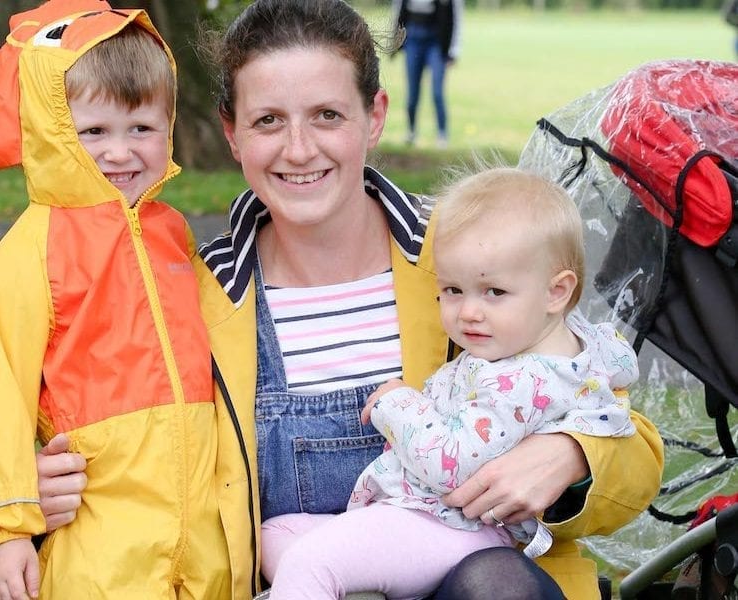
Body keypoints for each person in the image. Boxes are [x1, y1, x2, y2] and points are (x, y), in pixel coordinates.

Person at [33, 1, 665, 599]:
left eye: (327, 115)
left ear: (376, 114)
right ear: (231, 133)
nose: (299, 149)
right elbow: (125, 451)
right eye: (268, 121)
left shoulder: (472, 256)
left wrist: (571, 456)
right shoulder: (186, 296)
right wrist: (42, 487)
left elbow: (626, 439)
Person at [262, 167, 639, 599]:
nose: (468, 312)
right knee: (279, 533)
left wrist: (397, 402)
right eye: (453, 290)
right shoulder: (571, 343)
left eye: (493, 292)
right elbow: (617, 372)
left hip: (450, 525)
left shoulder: (523, 380)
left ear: (556, 292)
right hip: (418, 515)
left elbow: (451, 465)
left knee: (311, 563)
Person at [0, 1, 227, 598]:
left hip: (204, 536)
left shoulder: (172, 231)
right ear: (54, 131)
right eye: (94, 132)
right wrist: (6, 529)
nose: (122, 152)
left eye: (143, 128)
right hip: (99, 538)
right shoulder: (35, 248)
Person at [392, 0, 462, 148]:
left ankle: (442, 134)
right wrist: (395, 41)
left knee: (437, 92)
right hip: (413, 39)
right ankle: (411, 131)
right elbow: (398, 9)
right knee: (412, 94)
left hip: (436, 41)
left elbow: (456, 15)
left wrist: (454, 50)